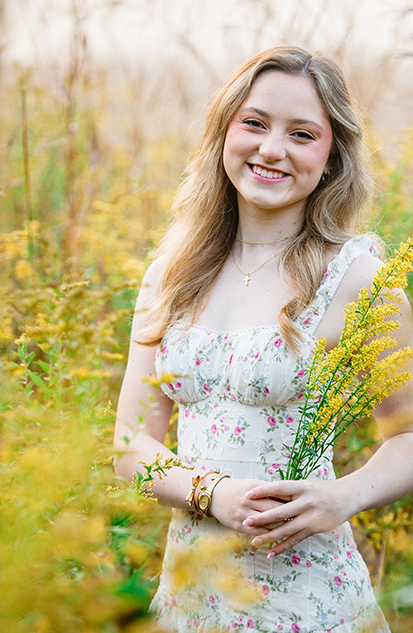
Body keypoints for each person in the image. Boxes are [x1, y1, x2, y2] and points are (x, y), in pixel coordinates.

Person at [114, 46, 413, 633]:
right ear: (224, 131)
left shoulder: (355, 278)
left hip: (308, 599)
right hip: (192, 593)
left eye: (302, 134)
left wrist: (342, 498)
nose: (272, 149)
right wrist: (212, 493)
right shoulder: (170, 275)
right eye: (254, 123)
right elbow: (129, 447)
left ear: (330, 157)